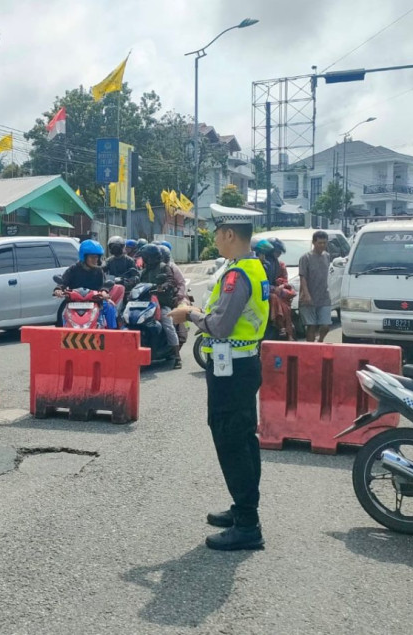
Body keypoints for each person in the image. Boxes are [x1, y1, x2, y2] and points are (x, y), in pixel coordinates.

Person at [170, 206, 269, 551]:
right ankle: (243, 509)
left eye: (216, 232)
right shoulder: (250, 268)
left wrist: (190, 313)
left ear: (228, 234)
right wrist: (201, 310)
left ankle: (247, 524)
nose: (213, 239)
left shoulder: (237, 275)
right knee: (242, 439)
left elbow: (221, 325)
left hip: (233, 371)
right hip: (241, 366)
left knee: (232, 441)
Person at [55, 239, 117, 328]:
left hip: (95, 300)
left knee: (110, 307)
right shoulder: (73, 269)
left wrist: (104, 291)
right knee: (62, 311)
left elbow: (104, 284)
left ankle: (113, 335)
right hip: (74, 301)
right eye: (92, 257)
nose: (95, 260)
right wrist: (59, 289)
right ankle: (62, 332)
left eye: (96, 257)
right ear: (84, 257)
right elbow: (63, 281)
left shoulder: (99, 271)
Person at [138, 243, 182, 367]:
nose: (144, 259)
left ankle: (177, 357)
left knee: (168, 325)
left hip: (161, 304)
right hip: (146, 304)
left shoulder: (164, 268)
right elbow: (139, 284)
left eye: (146, 257)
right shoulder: (144, 272)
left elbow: (170, 281)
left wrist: (163, 287)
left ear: (153, 257)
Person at [298, 230, 333, 342]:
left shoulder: (327, 256)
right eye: (319, 243)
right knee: (311, 326)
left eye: (324, 243)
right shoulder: (305, 258)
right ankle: (311, 349)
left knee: (325, 325)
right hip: (309, 297)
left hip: (323, 297)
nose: (322, 245)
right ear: (314, 243)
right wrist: (306, 294)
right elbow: (302, 277)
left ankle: (320, 341)